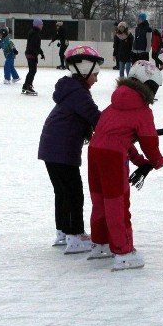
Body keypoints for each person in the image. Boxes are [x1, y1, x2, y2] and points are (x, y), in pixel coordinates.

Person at [88, 60, 163, 271]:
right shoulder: (142, 110)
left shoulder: (114, 105)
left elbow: (117, 138)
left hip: (94, 151)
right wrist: (157, 160)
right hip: (112, 159)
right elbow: (149, 141)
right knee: (117, 204)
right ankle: (123, 252)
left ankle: (101, 243)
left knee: (101, 200)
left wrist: (139, 160)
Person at [38, 46, 104, 255]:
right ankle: (75, 236)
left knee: (63, 192)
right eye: (94, 74)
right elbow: (97, 119)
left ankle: (63, 232)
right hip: (61, 150)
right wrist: (121, 124)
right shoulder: (79, 94)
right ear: (84, 70)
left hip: (53, 148)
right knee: (74, 194)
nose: (96, 79)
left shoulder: (72, 89)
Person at [22, 18, 45, 96]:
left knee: (31, 71)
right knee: (32, 71)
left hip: (30, 53)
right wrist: (36, 54)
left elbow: (36, 46)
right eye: (41, 24)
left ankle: (25, 86)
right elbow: (34, 46)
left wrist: (41, 53)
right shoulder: (35, 33)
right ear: (37, 25)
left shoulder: (33, 32)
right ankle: (28, 86)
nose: (42, 26)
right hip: (31, 54)